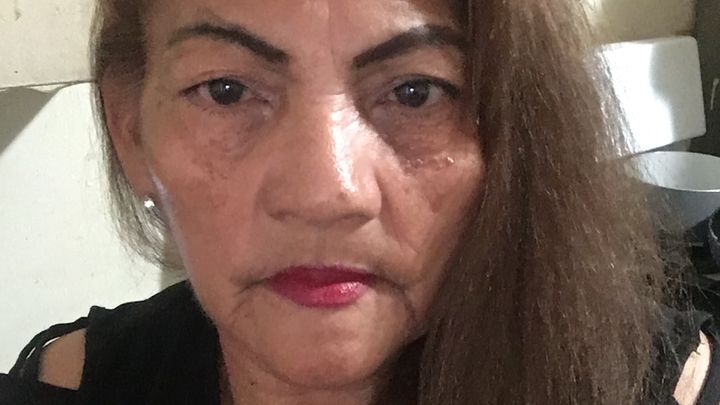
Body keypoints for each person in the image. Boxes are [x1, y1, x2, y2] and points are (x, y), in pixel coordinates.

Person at [1, 0, 717, 404]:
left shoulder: (653, 386)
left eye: (415, 92)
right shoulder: (73, 385)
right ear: (131, 132)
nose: (326, 194)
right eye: (226, 90)